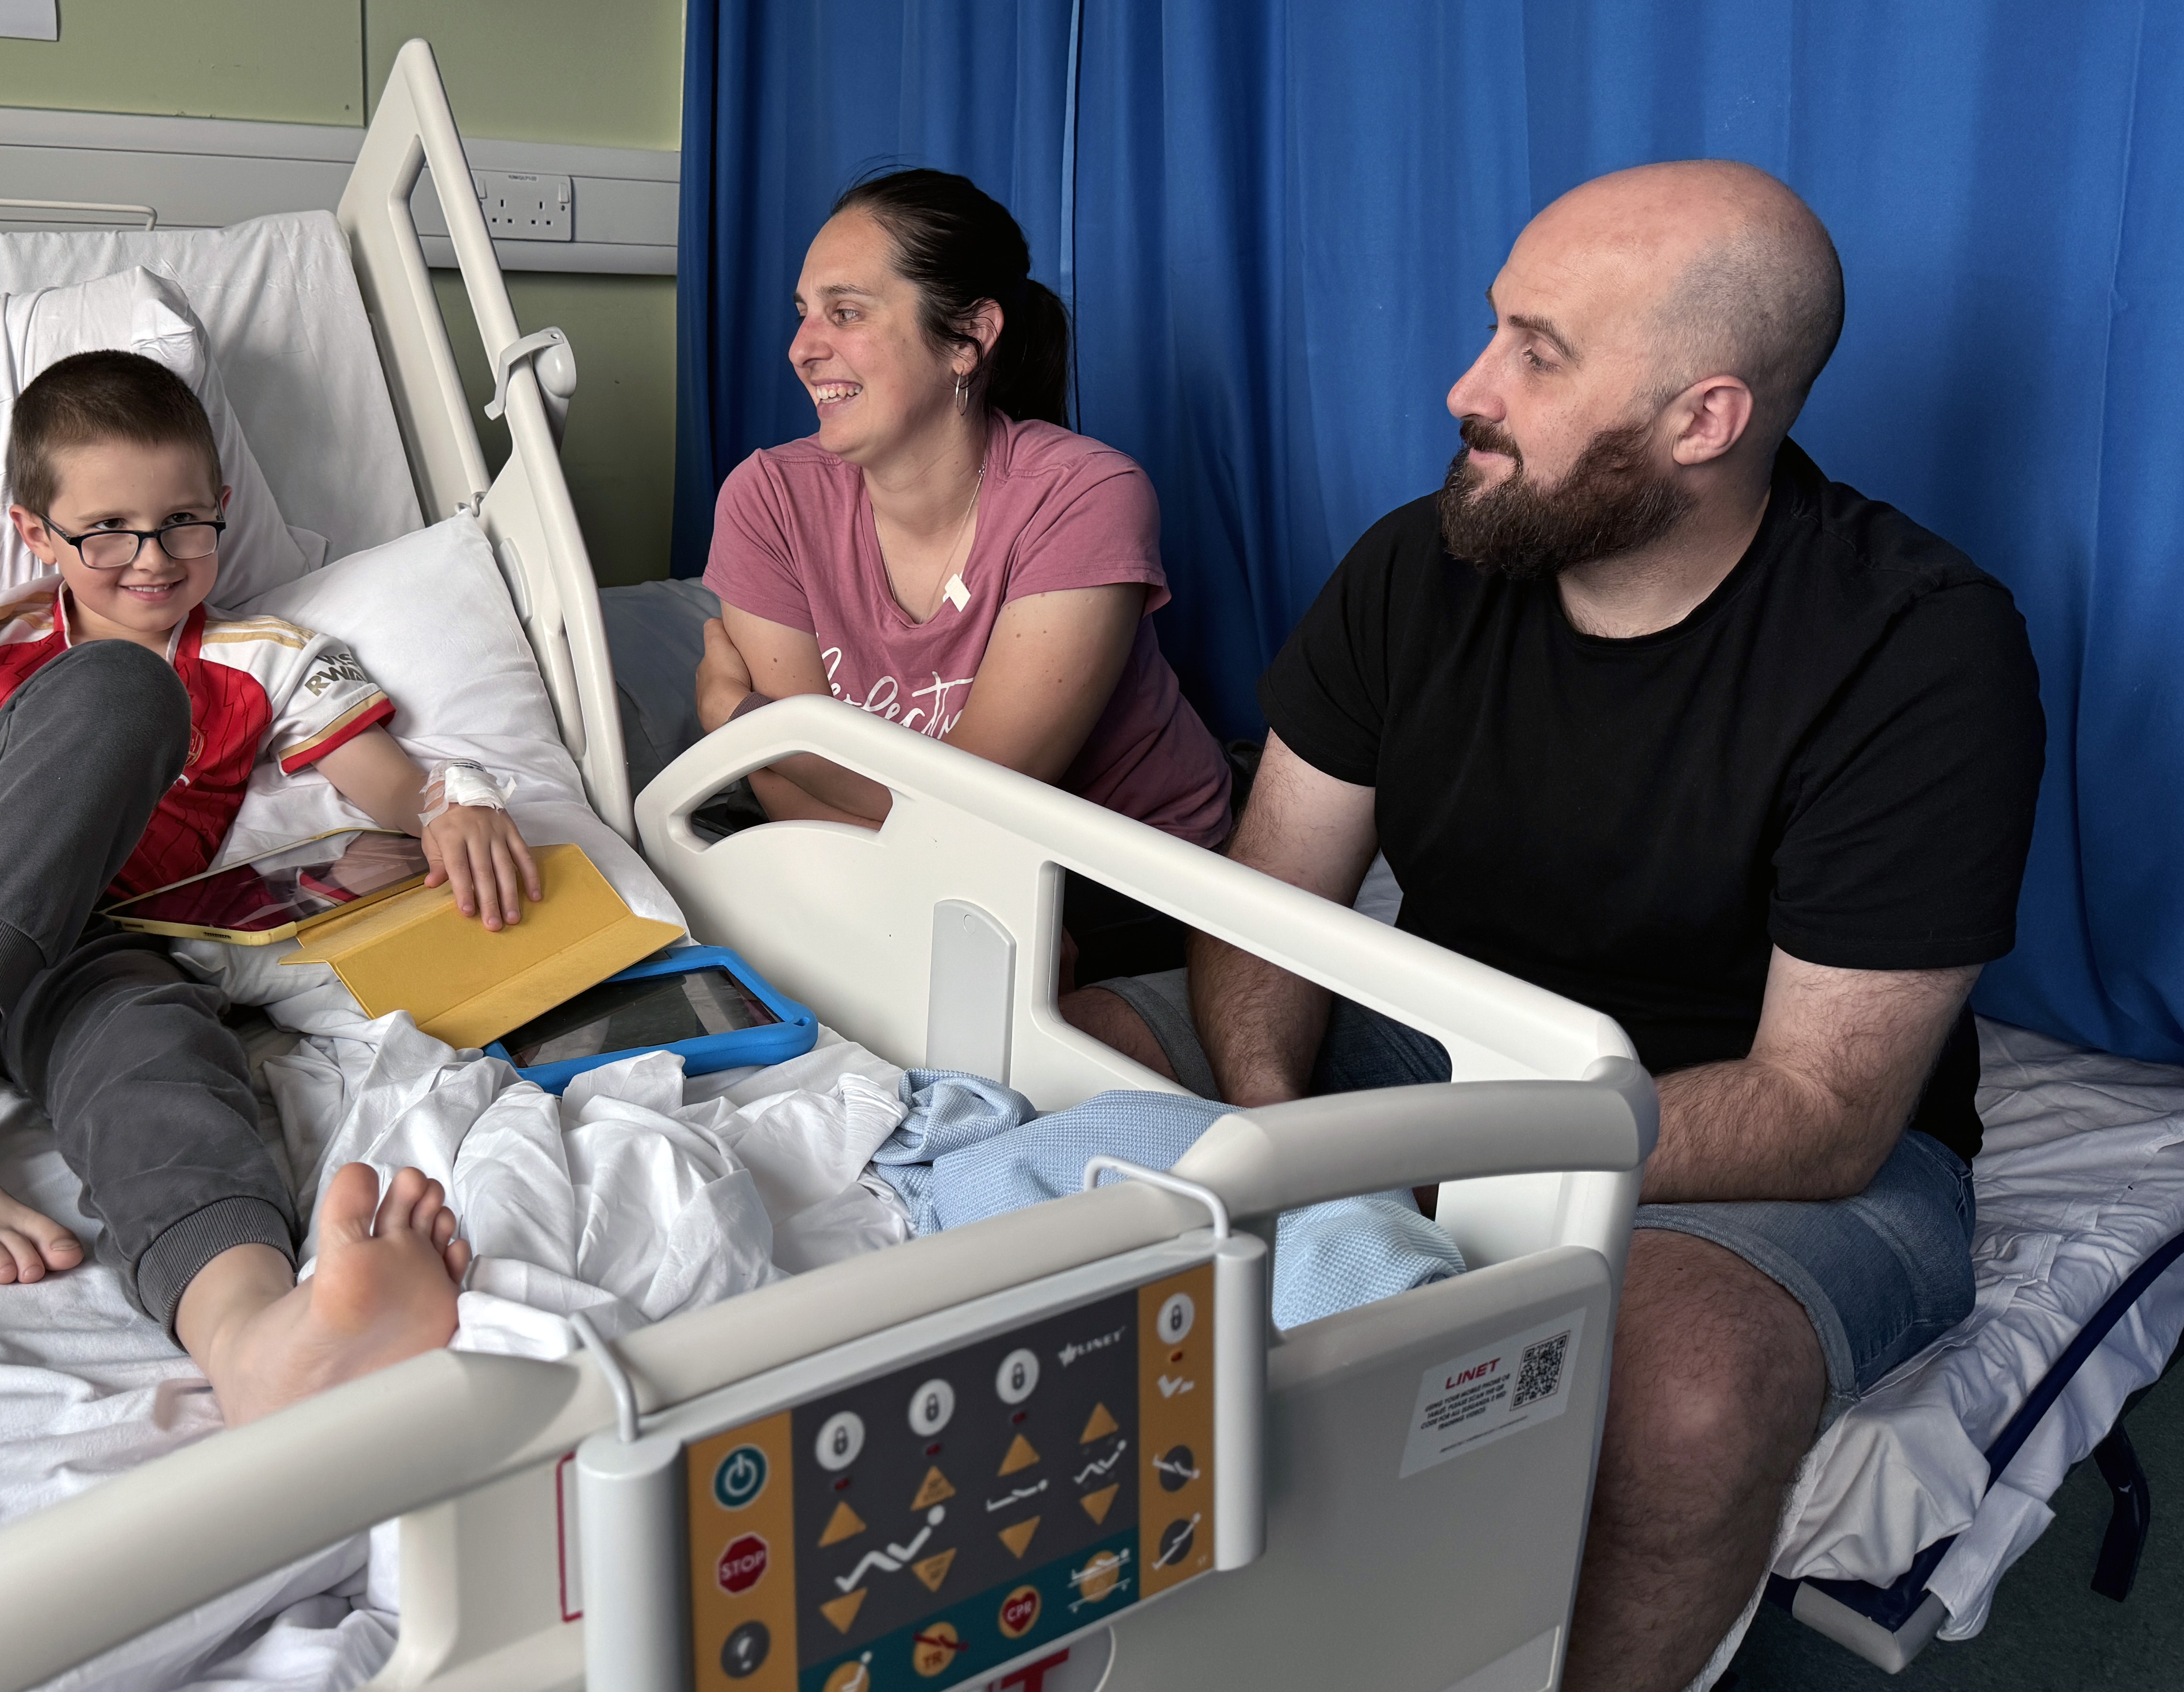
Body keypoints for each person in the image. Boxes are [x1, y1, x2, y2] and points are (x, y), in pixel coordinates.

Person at [1090, 162, 2044, 1690]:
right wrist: (1274, 1131)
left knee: (1681, 1400)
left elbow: (1823, 1108)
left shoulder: (1917, 652)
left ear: (1703, 420)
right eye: (1493, 330)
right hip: (1438, 1038)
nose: (1468, 387)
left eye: (1539, 352)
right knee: (1066, 1062)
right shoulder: (1428, 559)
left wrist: (1400, 1166)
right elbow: (1274, 903)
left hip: (1745, 1136)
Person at [0, 350, 544, 1426]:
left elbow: (400, 791)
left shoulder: (270, 663)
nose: (151, 560)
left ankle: (253, 1336)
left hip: (78, 956)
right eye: (106, 531)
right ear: (37, 533)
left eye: (182, 524)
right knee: (125, 686)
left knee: (160, 1042)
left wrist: (459, 804)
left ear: (220, 510)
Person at [693, 168, 1232, 980]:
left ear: (969, 336)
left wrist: (740, 719)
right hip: (899, 860)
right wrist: (906, 884)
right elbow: (780, 787)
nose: (803, 348)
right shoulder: (768, 498)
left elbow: (976, 804)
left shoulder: (1085, 496)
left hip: (1122, 873)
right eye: (803, 315)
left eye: (846, 312)